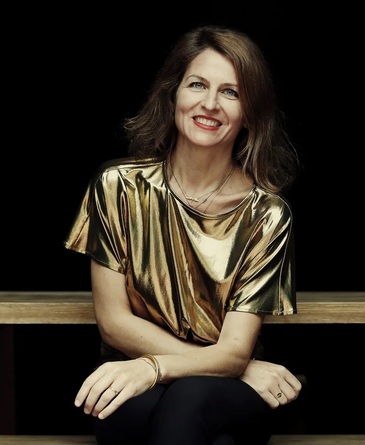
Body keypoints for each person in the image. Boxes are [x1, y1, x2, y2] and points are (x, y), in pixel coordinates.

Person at [64, 24, 301, 445]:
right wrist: (236, 365)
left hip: (219, 391)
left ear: (250, 113)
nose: (210, 103)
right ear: (172, 94)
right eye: (197, 85)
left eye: (231, 92)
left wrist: (157, 366)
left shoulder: (267, 215)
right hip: (129, 372)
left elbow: (235, 348)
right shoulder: (118, 187)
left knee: (190, 399)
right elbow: (114, 324)